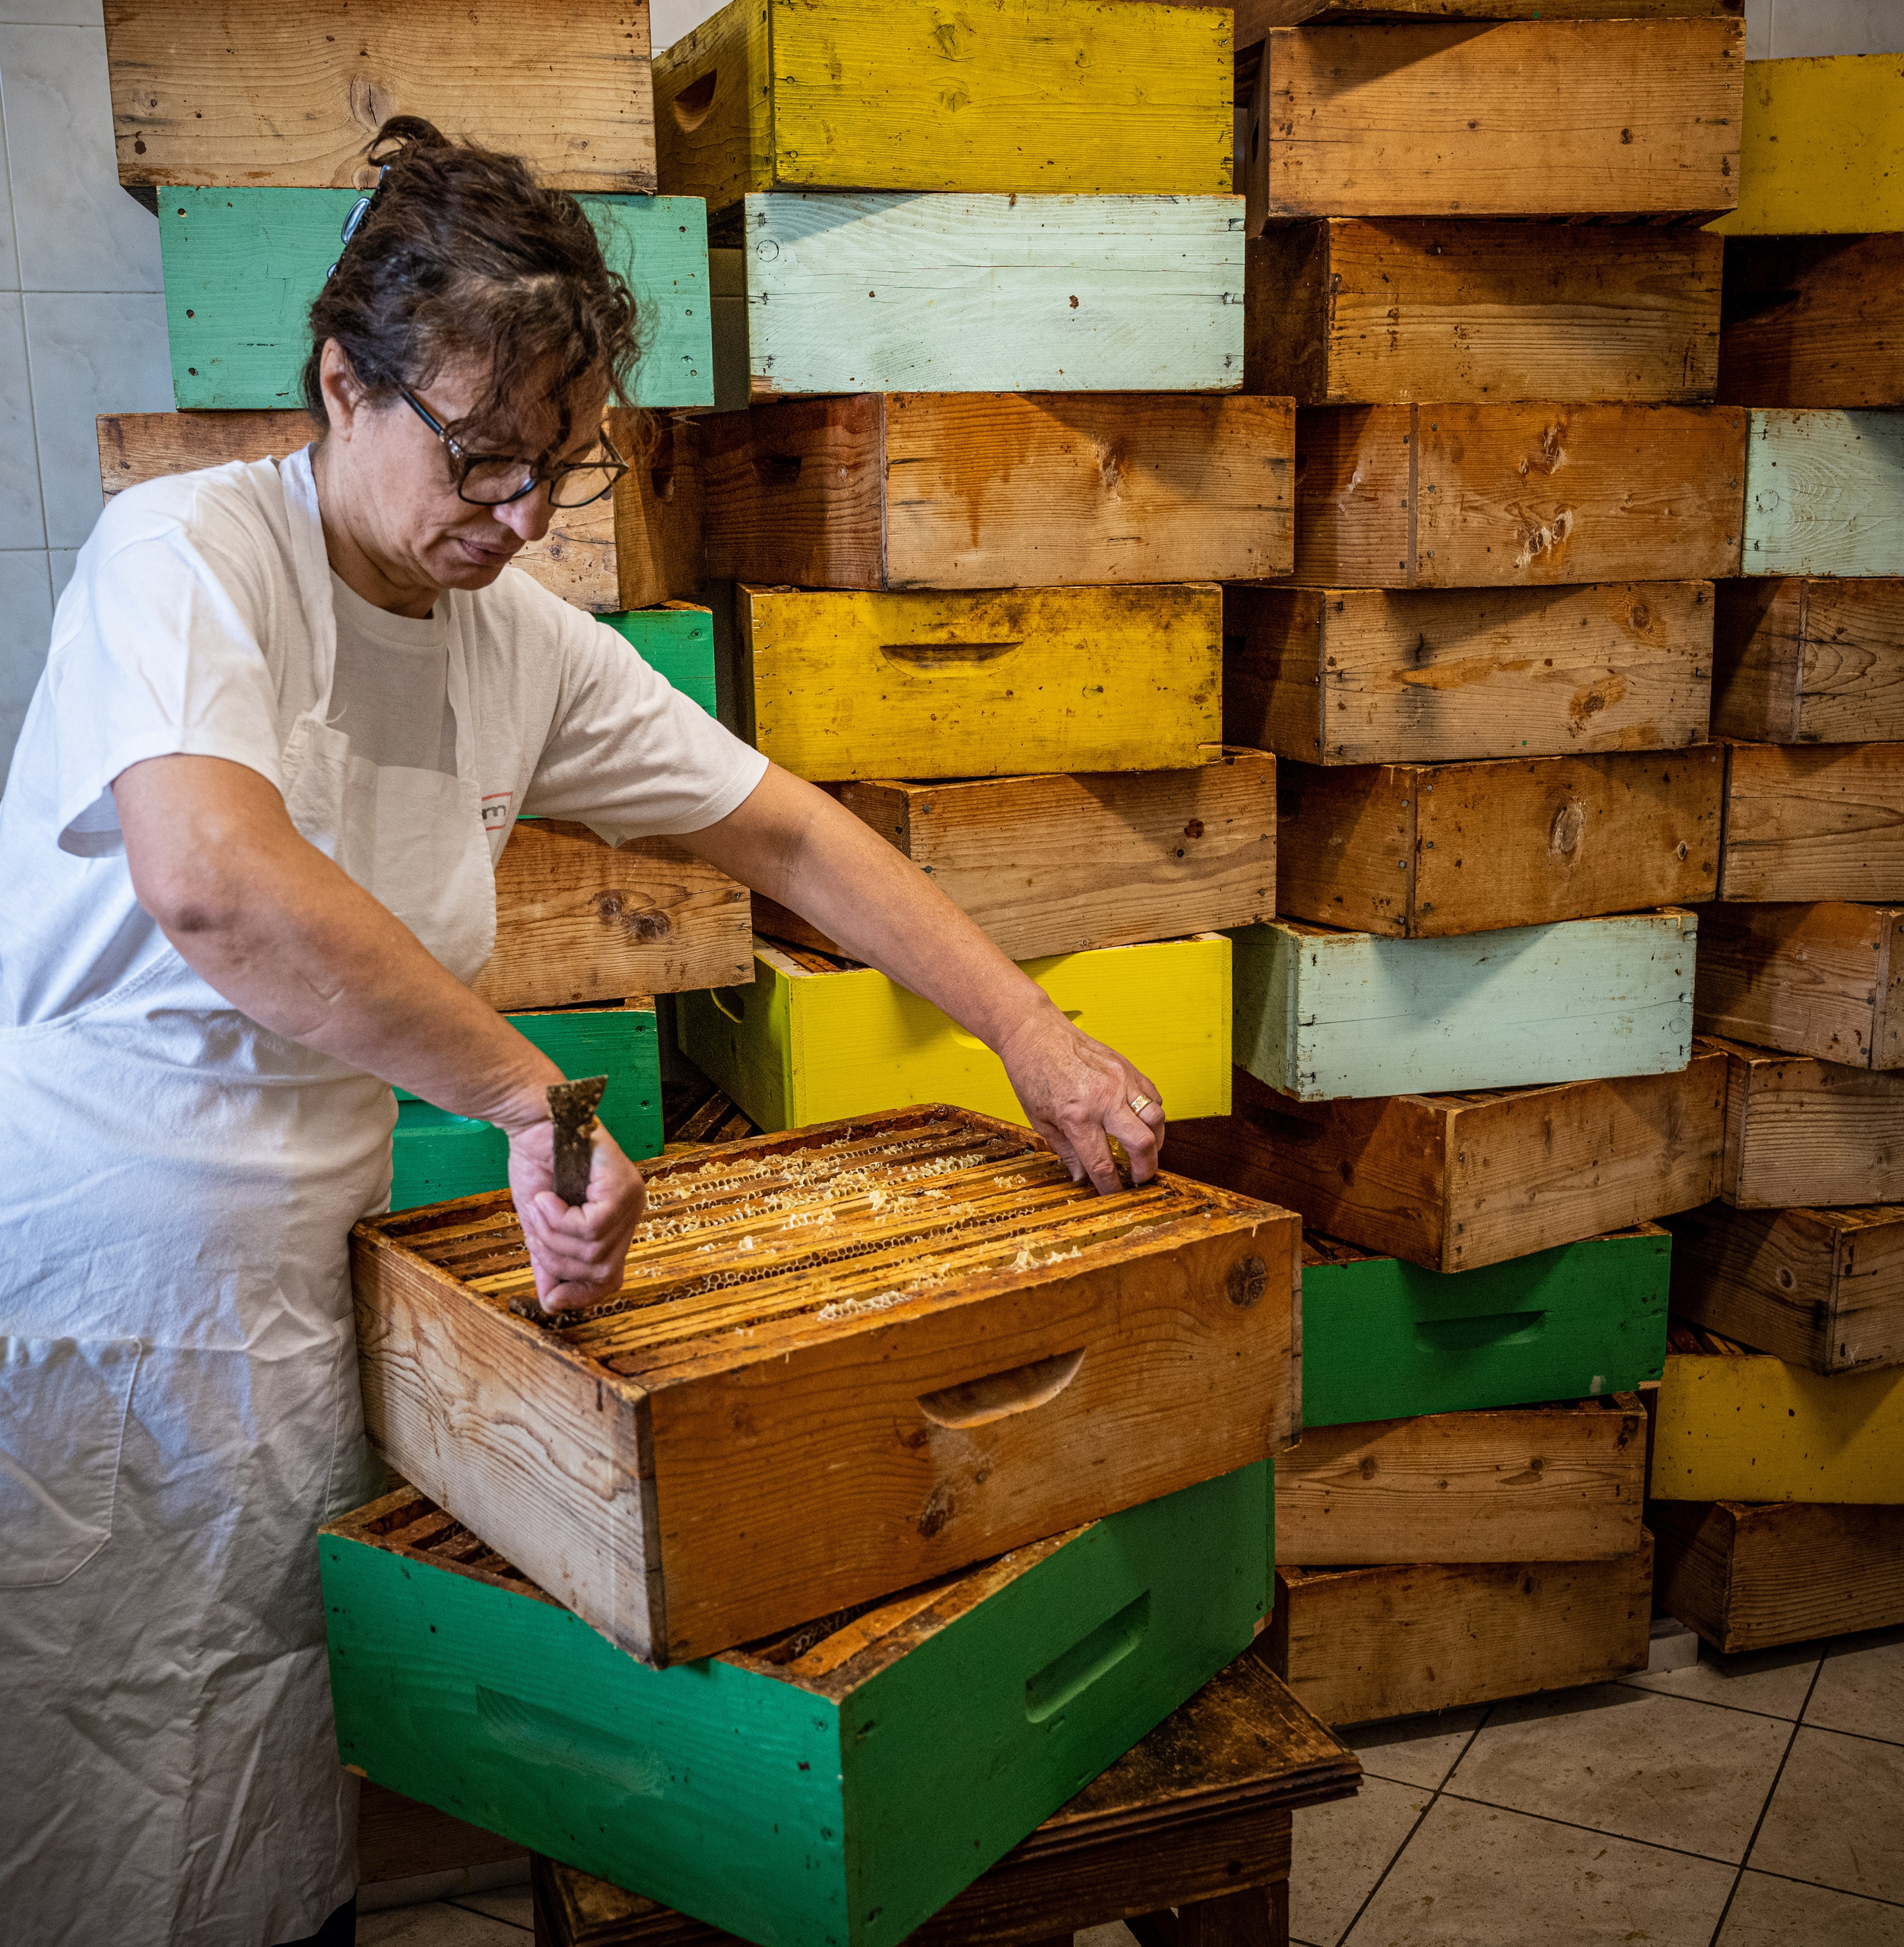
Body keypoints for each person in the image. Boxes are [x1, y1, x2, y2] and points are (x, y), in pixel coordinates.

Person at [0, 118, 1166, 1947]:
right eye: (477, 459)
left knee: (257, 1774)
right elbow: (215, 880)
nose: (522, 515)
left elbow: (781, 826)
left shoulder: (509, 640)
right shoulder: (189, 555)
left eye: (557, 466)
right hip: (96, 1296)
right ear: (337, 381)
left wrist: (1022, 1025)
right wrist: (530, 1095)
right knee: (98, 1785)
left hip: (313, 1271)